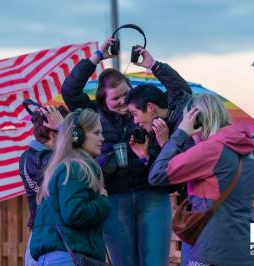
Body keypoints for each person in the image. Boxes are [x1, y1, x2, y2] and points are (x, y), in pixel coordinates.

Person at [61, 38, 191, 266]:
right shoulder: (93, 115)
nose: (123, 102)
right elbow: (69, 91)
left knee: (155, 262)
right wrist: (96, 57)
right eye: (115, 98)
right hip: (115, 197)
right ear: (103, 98)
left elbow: (180, 92)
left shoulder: (145, 109)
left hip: (152, 195)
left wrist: (154, 66)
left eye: (125, 94)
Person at [149, 94, 254, 266]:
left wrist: (180, 134)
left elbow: (157, 175)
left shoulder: (211, 149)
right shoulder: (245, 148)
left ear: (197, 122)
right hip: (245, 250)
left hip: (212, 250)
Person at [30, 108, 111, 265]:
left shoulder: (62, 168)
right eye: (96, 133)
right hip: (67, 258)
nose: (102, 138)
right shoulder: (76, 168)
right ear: (77, 136)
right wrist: (103, 201)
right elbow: (74, 213)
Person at [19, 105, 68, 265]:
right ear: (54, 135)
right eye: (68, 132)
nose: (75, 136)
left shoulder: (28, 157)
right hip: (51, 238)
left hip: (41, 235)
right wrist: (63, 126)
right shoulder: (44, 159)